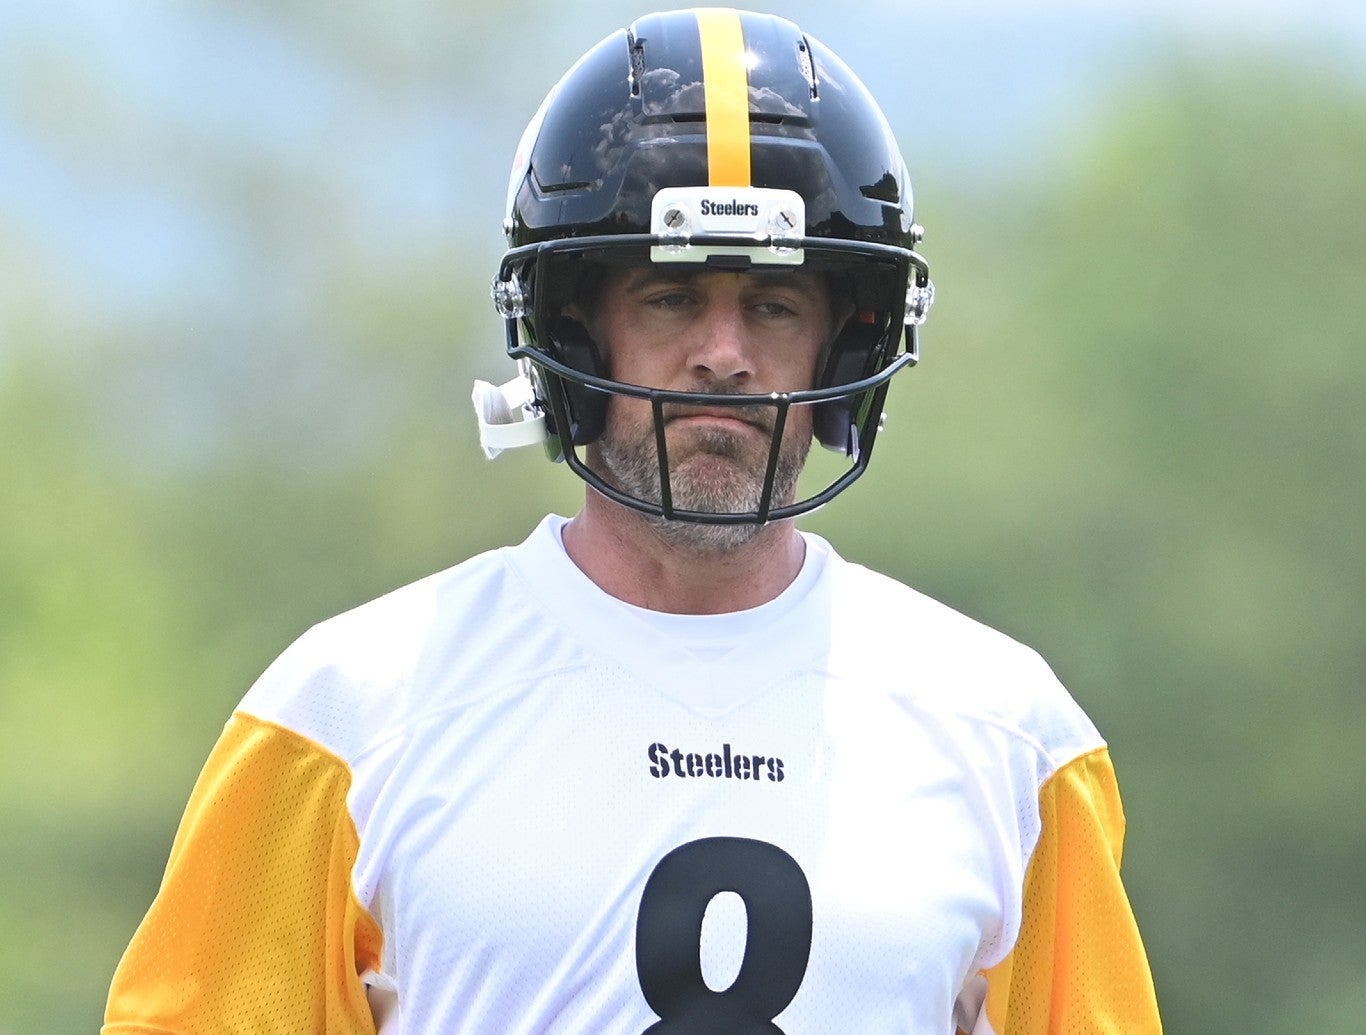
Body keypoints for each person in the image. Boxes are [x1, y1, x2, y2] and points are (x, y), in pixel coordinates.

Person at [103, 8, 1161, 1034]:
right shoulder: (344, 716)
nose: (723, 353)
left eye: (775, 306)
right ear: (576, 330)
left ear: (841, 351)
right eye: (668, 298)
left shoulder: (1010, 736)